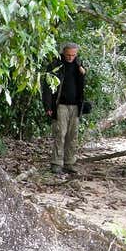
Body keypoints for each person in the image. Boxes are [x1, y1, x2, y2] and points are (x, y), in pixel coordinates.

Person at [41, 42, 86, 174]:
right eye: (68, 55)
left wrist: (83, 73)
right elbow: (47, 87)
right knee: (60, 134)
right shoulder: (55, 65)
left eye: (73, 55)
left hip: (75, 106)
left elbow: (81, 85)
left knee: (73, 135)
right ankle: (56, 163)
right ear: (63, 53)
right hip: (60, 105)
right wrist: (48, 106)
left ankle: (69, 162)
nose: (70, 57)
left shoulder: (79, 64)